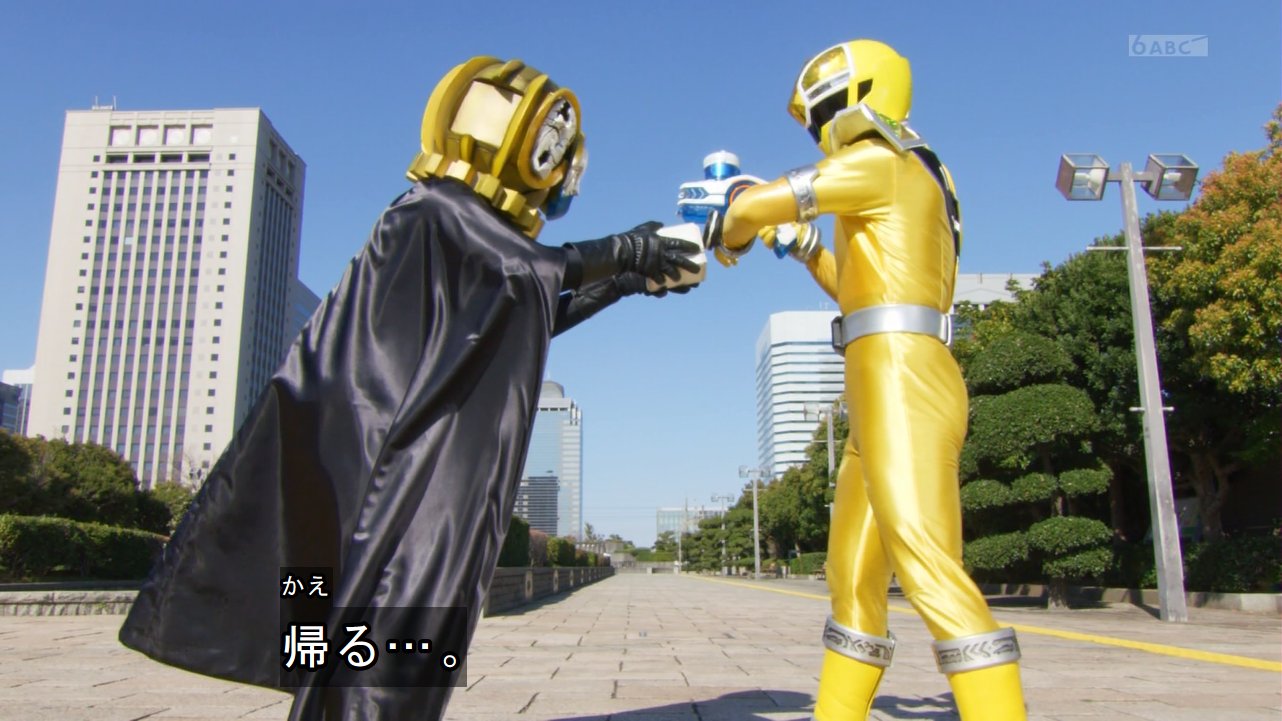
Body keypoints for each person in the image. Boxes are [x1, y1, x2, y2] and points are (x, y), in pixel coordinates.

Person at [119, 56, 699, 721]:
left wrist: (622, 280)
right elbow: (528, 272)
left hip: (408, 461)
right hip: (392, 466)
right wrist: (625, 253)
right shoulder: (433, 210)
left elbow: (524, 306)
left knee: (399, 621)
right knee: (401, 616)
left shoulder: (470, 240)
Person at [702, 39, 1028, 721]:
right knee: (851, 575)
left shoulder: (884, 161)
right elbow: (858, 293)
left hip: (904, 375)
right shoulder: (894, 174)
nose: (822, 125)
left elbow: (767, 203)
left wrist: (731, 212)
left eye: (825, 109)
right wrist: (807, 249)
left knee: (927, 561)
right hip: (877, 383)